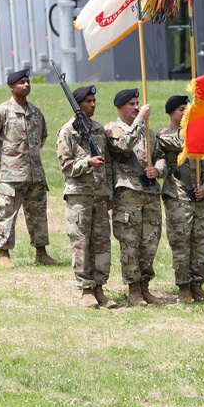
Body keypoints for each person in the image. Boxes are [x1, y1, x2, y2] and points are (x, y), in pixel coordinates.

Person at [0, 68, 60, 268]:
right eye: (21, 82)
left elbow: (42, 136)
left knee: (38, 214)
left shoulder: (36, 112)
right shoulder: (2, 112)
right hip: (11, 175)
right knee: (7, 214)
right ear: (11, 87)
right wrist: (3, 154)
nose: (26, 85)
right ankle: (4, 253)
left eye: (28, 82)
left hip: (35, 174)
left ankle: (41, 253)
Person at [56, 85, 117, 308]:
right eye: (88, 101)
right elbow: (65, 166)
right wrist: (86, 163)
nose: (92, 104)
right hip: (78, 196)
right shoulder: (67, 131)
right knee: (81, 243)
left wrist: (108, 192)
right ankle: (86, 290)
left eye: (94, 101)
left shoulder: (99, 130)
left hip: (99, 196)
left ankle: (100, 287)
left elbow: (108, 165)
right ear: (78, 104)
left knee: (101, 243)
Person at [105, 88, 162, 306]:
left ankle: (145, 287)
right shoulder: (112, 129)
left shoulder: (148, 130)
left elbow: (160, 157)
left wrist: (157, 169)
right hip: (128, 194)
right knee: (130, 243)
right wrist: (139, 120)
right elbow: (123, 145)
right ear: (120, 107)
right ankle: (133, 289)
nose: (136, 107)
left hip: (150, 193)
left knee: (150, 242)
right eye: (131, 104)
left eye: (137, 103)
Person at [157, 95, 204, 303]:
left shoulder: (198, 137)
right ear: (171, 113)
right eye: (182, 109)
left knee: (201, 241)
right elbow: (176, 142)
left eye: (188, 109)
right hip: (177, 194)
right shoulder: (164, 135)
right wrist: (191, 131)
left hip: (199, 198)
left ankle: (197, 285)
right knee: (181, 241)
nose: (185, 112)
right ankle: (183, 287)